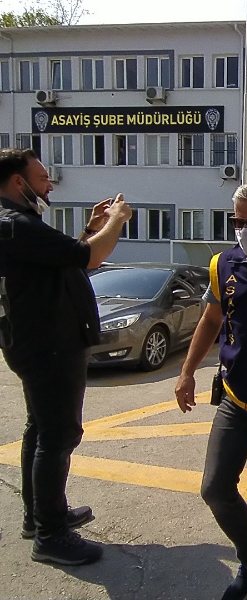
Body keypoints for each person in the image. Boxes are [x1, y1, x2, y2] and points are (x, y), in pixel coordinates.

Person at [0, 148, 132, 566]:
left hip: (38, 344)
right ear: (18, 182)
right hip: (50, 347)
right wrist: (116, 221)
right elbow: (90, 257)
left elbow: (67, 259)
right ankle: (50, 535)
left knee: (41, 430)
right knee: (57, 436)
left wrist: (91, 228)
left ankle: (39, 517)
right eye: (43, 178)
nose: (50, 185)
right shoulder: (16, 224)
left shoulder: (19, 225)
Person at [175, 182, 247, 600]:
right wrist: (187, 372)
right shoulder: (224, 263)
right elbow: (211, 319)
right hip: (238, 397)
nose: (243, 230)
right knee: (215, 487)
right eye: (237, 221)